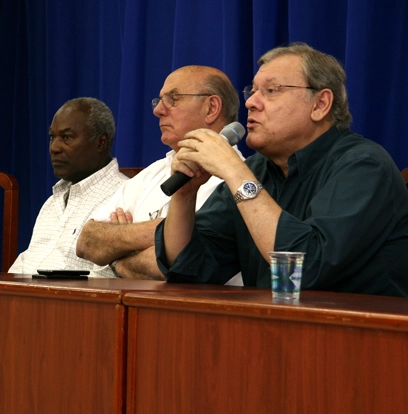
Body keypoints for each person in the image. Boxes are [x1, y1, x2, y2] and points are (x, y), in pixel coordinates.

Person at [157, 43, 408, 297]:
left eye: (271, 90)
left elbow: (305, 267)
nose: (251, 103)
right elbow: (188, 269)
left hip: (357, 331)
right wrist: (184, 195)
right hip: (273, 328)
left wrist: (234, 172)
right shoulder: (255, 169)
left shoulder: (364, 166)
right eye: (253, 91)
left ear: (320, 104)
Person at [76, 66, 243, 280]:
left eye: (173, 99)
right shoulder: (153, 172)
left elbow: (173, 265)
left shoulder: (238, 178)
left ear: (211, 108)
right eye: (159, 100)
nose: (158, 110)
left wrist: (116, 254)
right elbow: (87, 241)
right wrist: (162, 234)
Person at [8, 97, 129, 276]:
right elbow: (28, 260)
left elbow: (107, 278)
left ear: (101, 142)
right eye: (52, 137)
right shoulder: (53, 201)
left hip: (70, 302)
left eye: (66, 137)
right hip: (25, 297)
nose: (54, 148)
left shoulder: (124, 196)